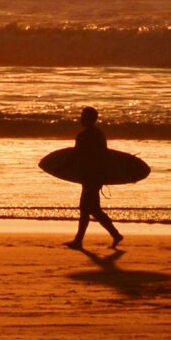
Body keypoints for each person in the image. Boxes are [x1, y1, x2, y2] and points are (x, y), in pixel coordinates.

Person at [67, 105, 122, 249]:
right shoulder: (100, 135)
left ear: (87, 119)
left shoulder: (83, 136)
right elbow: (105, 156)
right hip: (97, 176)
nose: (80, 119)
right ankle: (113, 235)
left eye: (82, 116)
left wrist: (61, 167)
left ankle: (80, 240)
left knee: (87, 208)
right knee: (92, 209)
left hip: (89, 176)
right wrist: (105, 176)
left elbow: (76, 156)